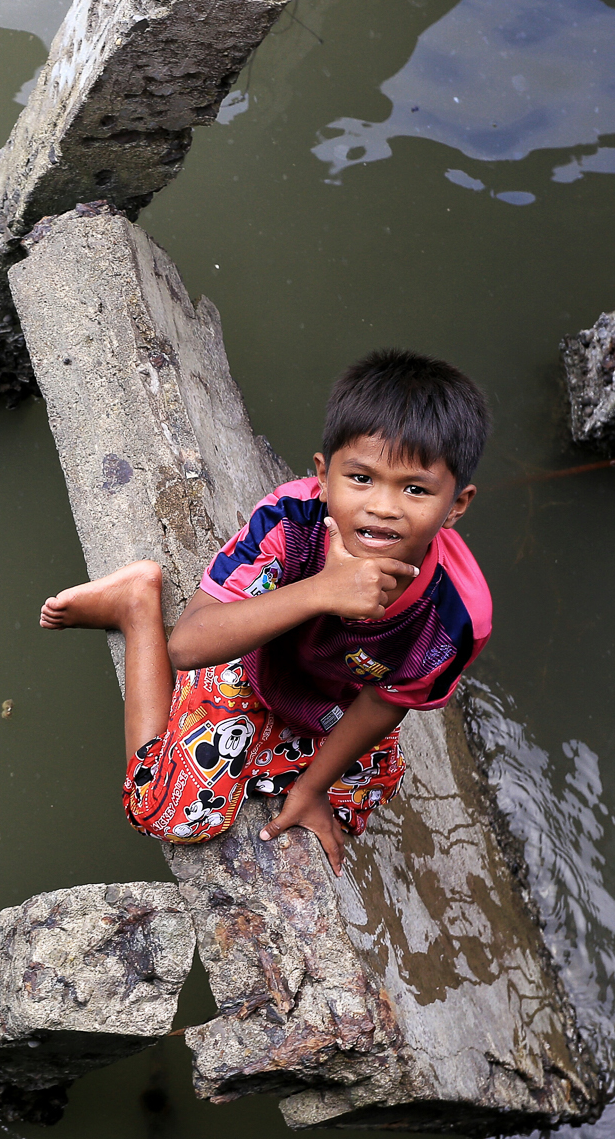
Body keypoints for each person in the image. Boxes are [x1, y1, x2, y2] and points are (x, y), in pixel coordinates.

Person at [39, 349, 492, 875]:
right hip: (248, 658)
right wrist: (322, 591)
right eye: (361, 478)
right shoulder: (290, 522)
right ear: (323, 478)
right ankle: (135, 605)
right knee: (168, 814)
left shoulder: (457, 614)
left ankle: (272, 761)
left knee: (369, 788)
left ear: (456, 505)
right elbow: (188, 645)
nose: (383, 506)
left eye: (415, 489)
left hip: (328, 701)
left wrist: (313, 787)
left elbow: (385, 702)